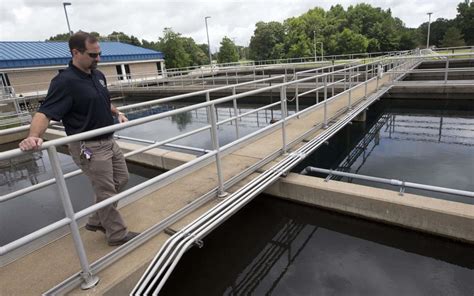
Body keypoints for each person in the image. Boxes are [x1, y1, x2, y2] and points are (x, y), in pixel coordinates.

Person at [19, 31, 139, 246]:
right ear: (75, 52)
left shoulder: (97, 75)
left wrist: (116, 112)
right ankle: (117, 234)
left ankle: (95, 219)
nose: (98, 59)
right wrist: (33, 137)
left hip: (109, 140)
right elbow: (45, 112)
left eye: (99, 54)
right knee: (106, 190)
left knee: (122, 179)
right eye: (93, 55)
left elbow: (102, 101)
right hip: (89, 146)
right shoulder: (64, 82)